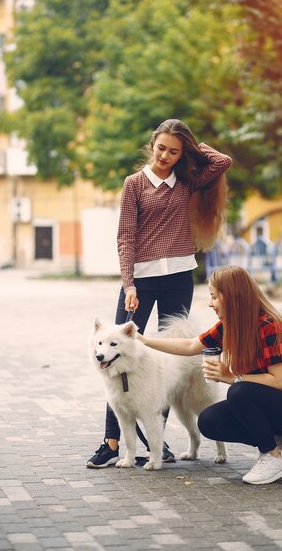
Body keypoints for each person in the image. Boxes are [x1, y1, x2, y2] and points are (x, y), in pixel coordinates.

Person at [87, 118, 232, 468]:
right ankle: (111, 442)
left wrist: (194, 150)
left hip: (180, 275)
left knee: (170, 359)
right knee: (115, 355)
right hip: (141, 280)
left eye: (174, 150)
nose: (166, 155)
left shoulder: (187, 181)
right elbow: (126, 237)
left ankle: (158, 443)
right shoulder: (134, 184)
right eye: (162, 147)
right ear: (152, 145)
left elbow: (222, 161)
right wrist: (129, 284)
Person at [136, 265, 282, 485]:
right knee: (209, 421)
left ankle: (272, 455)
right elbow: (191, 345)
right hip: (267, 399)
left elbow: (278, 381)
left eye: (214, 297)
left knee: (239, 391)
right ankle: (276, 440)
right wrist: (145, 342)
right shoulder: (231, 324)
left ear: (232, 297)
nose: (210, 303)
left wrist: (231, 376)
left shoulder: (271, 326)